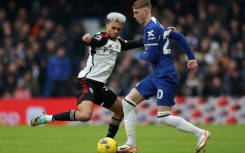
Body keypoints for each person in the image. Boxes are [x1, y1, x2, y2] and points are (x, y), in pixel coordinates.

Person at [30, 12, 143, 139]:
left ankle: (108, 141)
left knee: (121, 110)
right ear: (107, 26)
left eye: (119, 29)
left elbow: (138, 42)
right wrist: (87, 39)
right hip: (86, 81)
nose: (116, 31)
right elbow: (93, 41)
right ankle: (48, 118)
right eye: (113, 28)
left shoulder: (119, 43)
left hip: (99, 86)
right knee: (85, 116)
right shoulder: (102, 37)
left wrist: (158, 35)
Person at [117, 0, 211, 153]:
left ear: (146, 11)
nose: (134, 16)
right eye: (133, 12)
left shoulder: (153, 29)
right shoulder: (157, 25)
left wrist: (136, 53)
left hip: (166, 76)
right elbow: (179, 36)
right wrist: (191, 58)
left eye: (136, 12)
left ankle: (201, 133)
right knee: (127, 103)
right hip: (157, 75)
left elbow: (151, 56)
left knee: (163, 117)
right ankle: (131, 144)